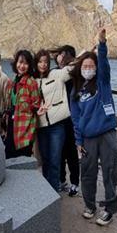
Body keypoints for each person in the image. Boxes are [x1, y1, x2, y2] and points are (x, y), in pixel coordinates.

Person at [70, 27, 117, 226]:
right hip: (87, 138)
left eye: (92, 65)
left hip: (107, 135)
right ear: (81, 68)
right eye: (85, 65)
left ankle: (109, 209)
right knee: (87, 173)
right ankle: (90, 205)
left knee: (109, 171)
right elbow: (75, 117)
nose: (88, 68)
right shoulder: (76, 89)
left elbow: (105, 64)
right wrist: (78, 141)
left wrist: (102, 44)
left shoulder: (102, 83)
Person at [35, 49, 73, 191]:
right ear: (36, 63)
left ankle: (54, 190)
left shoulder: (56, 74)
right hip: (41, 126)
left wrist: (84, 54)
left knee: (55, 160)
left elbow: (71, 69)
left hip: (57, 125)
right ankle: (47, 192)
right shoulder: (33, 80)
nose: (43, 65)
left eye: (45, 62)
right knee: (45, 160)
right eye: (40, 61)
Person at [3, 49, 40, 159]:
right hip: (12, 125)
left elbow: (36, 104)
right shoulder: (14, 81)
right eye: (20, 62)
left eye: (25, 63)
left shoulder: (31, 82)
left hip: (24, 128)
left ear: (29, 65)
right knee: (9, 157)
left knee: (23, 161)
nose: (22, 66)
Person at [54, 45, 80, 196]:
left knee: (71, 151)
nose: (61, 58)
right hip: (59, 117)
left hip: (72, 118)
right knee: (60, 151)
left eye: (64, 55)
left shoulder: (76, 73)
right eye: (59, 55)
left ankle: (75, 182)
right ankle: (61, 179)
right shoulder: (55, 72)